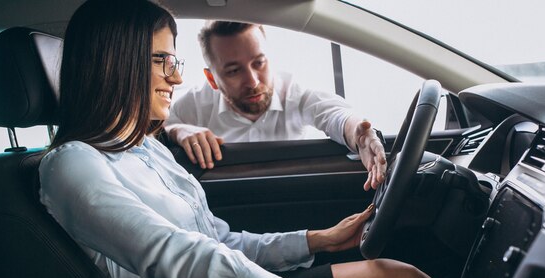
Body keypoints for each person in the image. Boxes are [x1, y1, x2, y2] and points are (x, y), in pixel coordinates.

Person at [39, 0, 449, 278]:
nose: (175, 79)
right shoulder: (72, 165)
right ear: (117, 63)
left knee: (398, 276)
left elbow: (221, 242)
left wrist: (316, 240)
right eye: (162, 60)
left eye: (174, 62)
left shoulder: (146, 148)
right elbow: (188, 257)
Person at [164, 21, 386, 191]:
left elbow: (335, 115)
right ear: (211, 79)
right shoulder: (192, 104)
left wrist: (361, 137)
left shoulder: (294, 91)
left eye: (259, 63)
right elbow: (149, 129)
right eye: (233, 71)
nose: (252, 81)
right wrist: (175, 130)